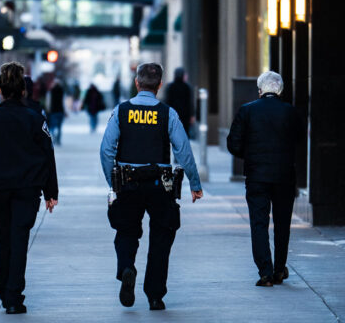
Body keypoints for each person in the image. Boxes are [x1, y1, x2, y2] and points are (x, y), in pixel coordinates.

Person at [100, 63, 203, 311]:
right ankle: (155, 295)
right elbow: (183, 151)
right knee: (161, 237)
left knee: (126, 232)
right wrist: (195, 183)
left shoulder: (121, 111)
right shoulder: (168, 113)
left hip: (128, 181)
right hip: (160, 183)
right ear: (159, 86)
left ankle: (127, 267)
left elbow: (106, 149)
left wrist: (113, 182)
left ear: (137, 83)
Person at [0, 62, 59, 315]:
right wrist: (51, 192)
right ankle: (13, 296)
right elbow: (47, 154)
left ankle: (5, 292)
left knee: (3, 240)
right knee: (19, 240)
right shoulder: (35, 119)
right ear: (23, 91)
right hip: (27, 189)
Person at [227, 71, 305, 287]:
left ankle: (265, 272)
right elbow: (300, 139)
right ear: (280, 90)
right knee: (282, 223)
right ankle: (280, 269)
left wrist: (250, 155)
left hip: (257, 176)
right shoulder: (290, 112)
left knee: (259, 223)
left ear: (260, 90)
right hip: (284, 176)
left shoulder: (247, 110)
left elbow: (233, 144)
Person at [164, 67, 195, 137]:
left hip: (173, 115)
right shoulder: (187, 87)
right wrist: (192, 115)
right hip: (185, 117)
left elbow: (167, 101)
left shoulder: (170, 86)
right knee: (184, 135)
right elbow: (190, 103)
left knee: (173, 135)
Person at [47, 80, 65, 146]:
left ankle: (54, 138)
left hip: (53, 111)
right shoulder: (62, 91)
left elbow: (48, 101)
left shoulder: (51, 91)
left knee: (52, 126)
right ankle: (58, 140)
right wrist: (65, 111)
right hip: (60, 111)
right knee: (59, 127)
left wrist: (48, 109)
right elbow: (63, 102)